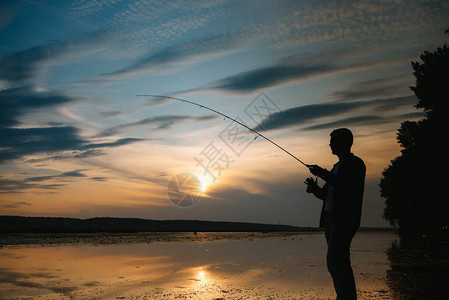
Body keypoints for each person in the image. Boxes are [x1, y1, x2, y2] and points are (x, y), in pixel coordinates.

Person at [304, 128, 366, 300]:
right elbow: (326, 194)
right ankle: (345, 296)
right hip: (331, 220)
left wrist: (322, 172)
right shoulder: (336, 167)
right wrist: (314, 188)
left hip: (344, 220)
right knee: (336, 262)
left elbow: (345, 186)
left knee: (336, 261)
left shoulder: (355, 164)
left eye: (333, 140)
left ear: (343, 143)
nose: (330, 144)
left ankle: (346, 297)